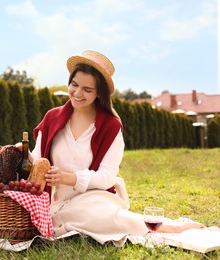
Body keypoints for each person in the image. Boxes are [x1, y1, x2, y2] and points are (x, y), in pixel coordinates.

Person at [30, 50, 205, 245]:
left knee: (99, 215)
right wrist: (20, 152)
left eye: (87, 90)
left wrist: (69, 178)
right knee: (71, 218)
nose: (78, 93)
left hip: (95, 197)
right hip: (59, 203)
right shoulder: (52, 118)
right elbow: (37, 160)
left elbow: (106, 177)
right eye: (74, 84)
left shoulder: (111, 126)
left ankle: (170, 228)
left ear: (99, 93)